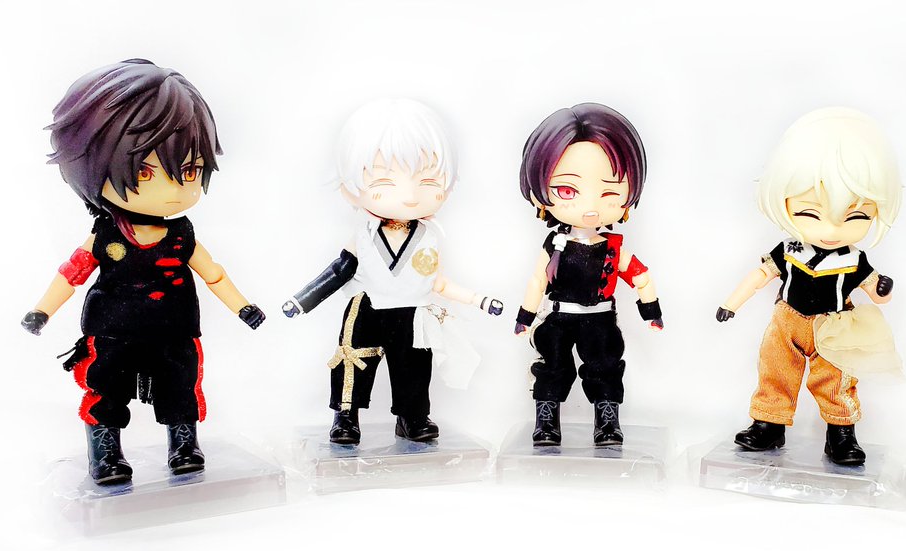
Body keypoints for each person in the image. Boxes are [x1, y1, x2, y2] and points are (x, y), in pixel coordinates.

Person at [22, 59, 266, 484]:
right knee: (105, 390)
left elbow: (214, 274)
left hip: (174, 328)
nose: (172, 189)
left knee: (180, 387)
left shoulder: (182, 234)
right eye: (144, 171)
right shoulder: (104, 234)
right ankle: (105, 449)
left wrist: (243, 307)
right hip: (112, 331)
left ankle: (183, 441)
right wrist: (41, 311)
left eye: (188, 171)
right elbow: (71, 274)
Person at [282, 99, 503, 446]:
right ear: (350, 187)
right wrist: (302, 301)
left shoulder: (429, 235)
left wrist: (479, 299)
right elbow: (340, 270)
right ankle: (346, 416)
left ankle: (412, 416)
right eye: (386, 181)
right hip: (367, 307)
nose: (410, 196)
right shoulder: (362, 233)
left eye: (427, 180)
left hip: (413, 312)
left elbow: (438, 282)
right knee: (354, 362)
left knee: (413, 366)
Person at [716, 108, 903, 465]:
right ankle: (769, 424)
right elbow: (760, 275)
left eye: (854, 216)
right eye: (810, 213)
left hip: (833, 325)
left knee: (836, 378)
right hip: (787, 320)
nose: (831, 230)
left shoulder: (853, 259)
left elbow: (877, 293)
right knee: (775, 371)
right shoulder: (789, 249)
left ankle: (841, 433)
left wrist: (883, 288)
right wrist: (731, 304)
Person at [514, 103, 663, 447]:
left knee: (605, 368)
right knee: (552, 368)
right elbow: (537, 281)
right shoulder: (555, 244)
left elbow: (640, 277)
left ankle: (607, 420)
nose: (591, 207)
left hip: (600, 320)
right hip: (559, 318)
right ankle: (546, 419)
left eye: (609, 192)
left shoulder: (613, 247)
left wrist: (651, 311)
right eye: (568, 191)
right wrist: (525, 317)